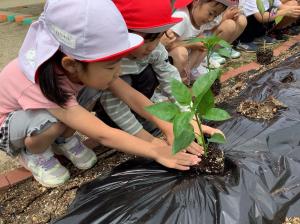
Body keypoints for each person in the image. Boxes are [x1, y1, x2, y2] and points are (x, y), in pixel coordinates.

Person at [0, 0, 202, 187]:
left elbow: (132, 96)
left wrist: (167, 126)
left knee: (85, 96)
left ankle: (63, 140)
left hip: (54, 109)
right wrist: (155, 150)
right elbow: (102, 134)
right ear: (70, 64)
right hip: (10, 124)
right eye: (111, 66)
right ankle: (34, 154)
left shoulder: (81, 66)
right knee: (50, 122)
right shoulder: (45, 83)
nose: (119, 71)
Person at [91, 0, 223, 145]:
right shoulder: (110, 64)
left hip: (138, 95)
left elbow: (170, 78)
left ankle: (143, 115)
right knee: (127, 83)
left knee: (154, 72)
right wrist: (147, 140)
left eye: (159, 37)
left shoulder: (155, 50)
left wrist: (188, 115)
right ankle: (120, 123)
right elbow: (114, 104)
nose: (152, 46)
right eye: (147, 39)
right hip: (111, 107)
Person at [161, 0, 244, 84]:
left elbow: (210, 27)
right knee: (181, 52)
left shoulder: (199, 18)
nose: (211, 19)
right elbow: (166, 46)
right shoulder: (182, 17)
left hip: (187, 56)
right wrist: (192, 44)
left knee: (203, 42)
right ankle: (175, 82)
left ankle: (190, 72)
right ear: (196, 2)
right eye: (210, 13)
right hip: (171, 60)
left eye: (215, 16)